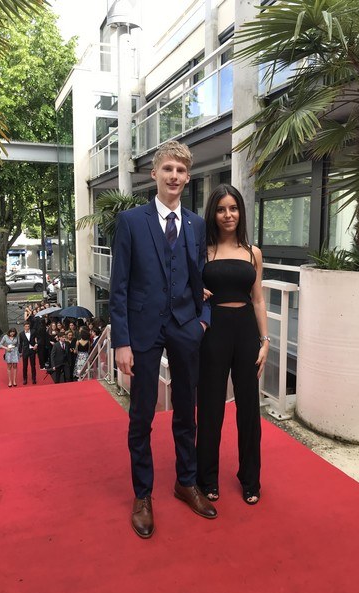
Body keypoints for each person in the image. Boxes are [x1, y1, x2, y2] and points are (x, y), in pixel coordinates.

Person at [109, 140, 216, 539]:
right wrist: (121, 342)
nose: (174, 176)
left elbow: (201, 278)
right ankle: (143, 495)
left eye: (181, 170)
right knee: (141, 415)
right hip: (143, 331)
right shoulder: (131, 222)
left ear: (188, 177)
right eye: (168, 168)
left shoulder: (195, 224)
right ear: (154, 173)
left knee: (187, 411)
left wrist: (202, 321)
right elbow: (118, 287)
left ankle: (186, 482)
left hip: (186, 326)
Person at [196, 184, 269, 506]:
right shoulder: (203, 250)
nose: (228, 215)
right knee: (210, 407)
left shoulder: (253, 252)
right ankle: (206, 477)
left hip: (246, 331)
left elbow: (258, 299)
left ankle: (250, 479)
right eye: (222, 209)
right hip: (213, 331)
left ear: (241, 211)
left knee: (249, 409)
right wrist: (194, 291)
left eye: (234, 208)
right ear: (213, 213)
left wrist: (265, 342)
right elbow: (185, 286)